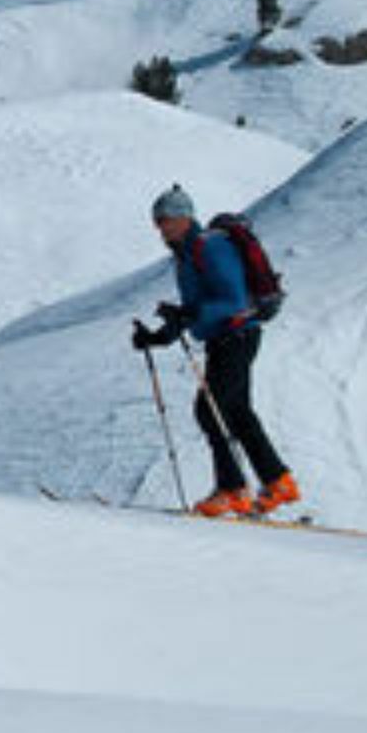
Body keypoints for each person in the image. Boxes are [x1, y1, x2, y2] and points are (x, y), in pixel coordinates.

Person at [132, 185, 299, 517]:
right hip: (225, 338)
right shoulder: (186, 255)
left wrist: (189, 315)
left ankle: (232, 490)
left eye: (164, 219)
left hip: (237, 335)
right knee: (237, 413)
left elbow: (232, 300)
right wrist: (157, 337)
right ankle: (278, 482)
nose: (160, 227)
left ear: (183, 218)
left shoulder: (211, 246)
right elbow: (198, 308)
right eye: (157, 221)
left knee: (210, 411)